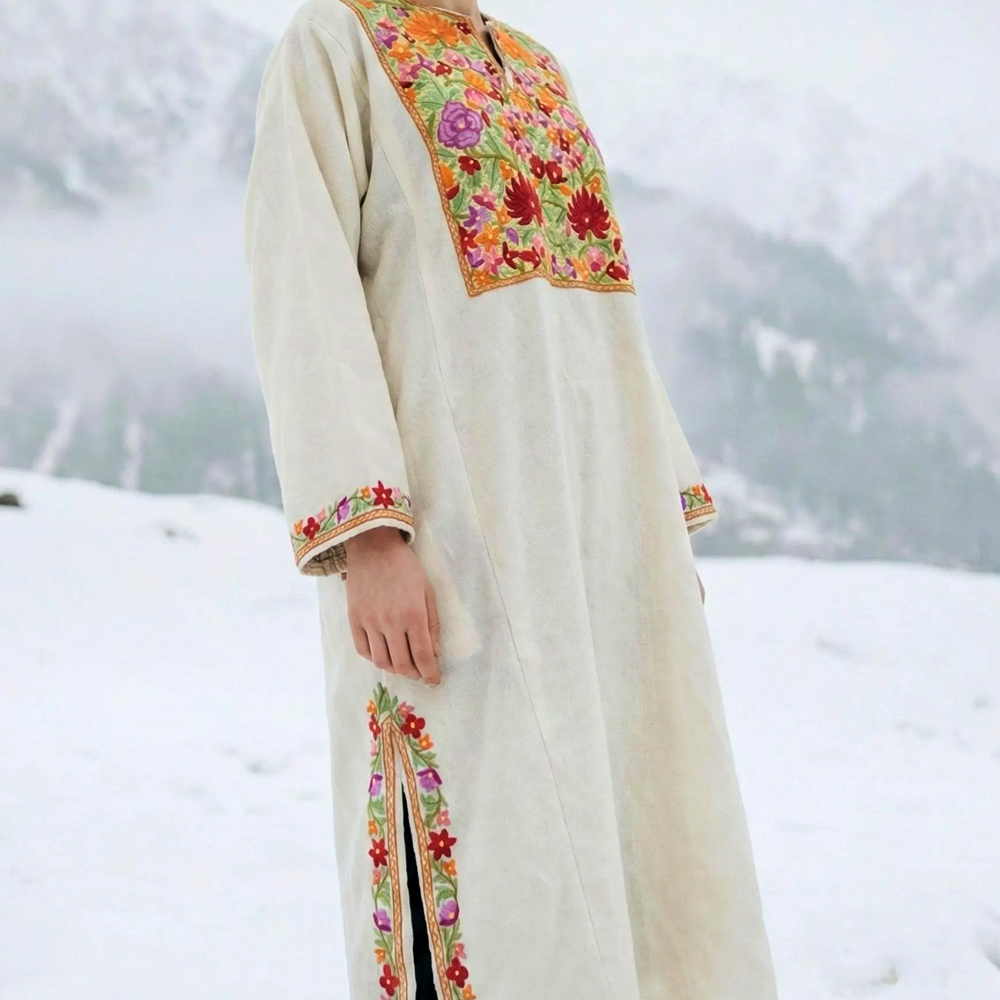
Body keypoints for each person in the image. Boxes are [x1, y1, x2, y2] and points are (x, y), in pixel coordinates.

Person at [245, 0, 778, 997]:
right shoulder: (333, 45)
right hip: (451, 550)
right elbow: (300, 281)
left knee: (635, 836)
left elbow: (602, 312)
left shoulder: (536, 68)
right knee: (494, 860)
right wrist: (370, 537)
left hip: (598, 542)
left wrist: (653, 521)